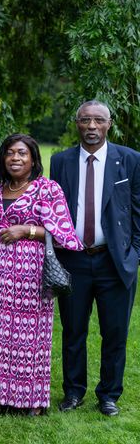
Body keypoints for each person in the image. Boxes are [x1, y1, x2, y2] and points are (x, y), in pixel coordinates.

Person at [51, 100, 140, 417]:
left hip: (115, 262)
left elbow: (138, 211)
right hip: (73, 260)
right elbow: (53, 208)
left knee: (115, 333)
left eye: (98, 120)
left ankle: (109, 395)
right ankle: (74, 392)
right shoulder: (60, 161)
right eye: (85, 119)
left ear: (109, 123)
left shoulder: (130, 160)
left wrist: (133, 254)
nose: (91, 126)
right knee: (73, 330)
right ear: (76, 123)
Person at [0, 134, 82, 416]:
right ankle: (4, 398)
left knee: (30, 337)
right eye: (10, 153)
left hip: (31, 273)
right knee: (1, 336)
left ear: (33, 159)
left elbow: (66, 234)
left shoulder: (46, 189)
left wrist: (26, 230)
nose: (15, 158)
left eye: (22, 153)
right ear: (3, 158)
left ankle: (32, 401)